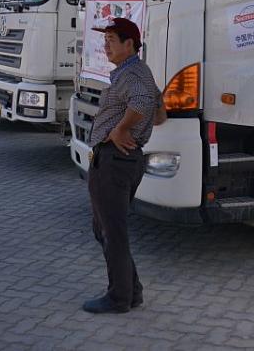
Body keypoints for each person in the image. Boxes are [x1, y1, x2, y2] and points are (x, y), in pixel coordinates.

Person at [83, 17, 166, 314]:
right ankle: (131, 290)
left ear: (129, 44)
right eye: (104, 40)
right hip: (118, 161)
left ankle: (119, 297)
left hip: (115, 162)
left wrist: (120, 130)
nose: (106, 45)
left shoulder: (133, 74)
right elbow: (159, 115)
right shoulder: (135, 73)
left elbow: (144, 104)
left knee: (111, 231)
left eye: (112, 40)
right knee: (105, 228)